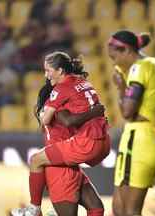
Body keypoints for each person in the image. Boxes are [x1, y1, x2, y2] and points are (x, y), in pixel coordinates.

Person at [12, 51, 111, 216]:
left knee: (36, 159)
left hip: (67, 163)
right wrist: (95, 112)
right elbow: (71, 119)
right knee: (96, 208)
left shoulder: (61, 94)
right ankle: (36, 210)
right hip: (83, 152)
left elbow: (57, 120)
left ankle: (34, 208)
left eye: (48, 70)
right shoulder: (81, 85)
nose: (46, 74)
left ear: (60, 71)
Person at [107, 30, 155, 215]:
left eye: (115, 56)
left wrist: (120, 88)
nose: (114, 62)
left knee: (130, 212)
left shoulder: (139, 68)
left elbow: (127, 111)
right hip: (150, 136)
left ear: (126, 50)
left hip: (140, 139)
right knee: (118, 210)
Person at [34, 80, 106, 216]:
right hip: (60, 170)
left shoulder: (49, 108)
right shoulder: (60, 108)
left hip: (68, 162)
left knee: (96, 208)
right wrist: (94, 112)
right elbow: (69, 121)